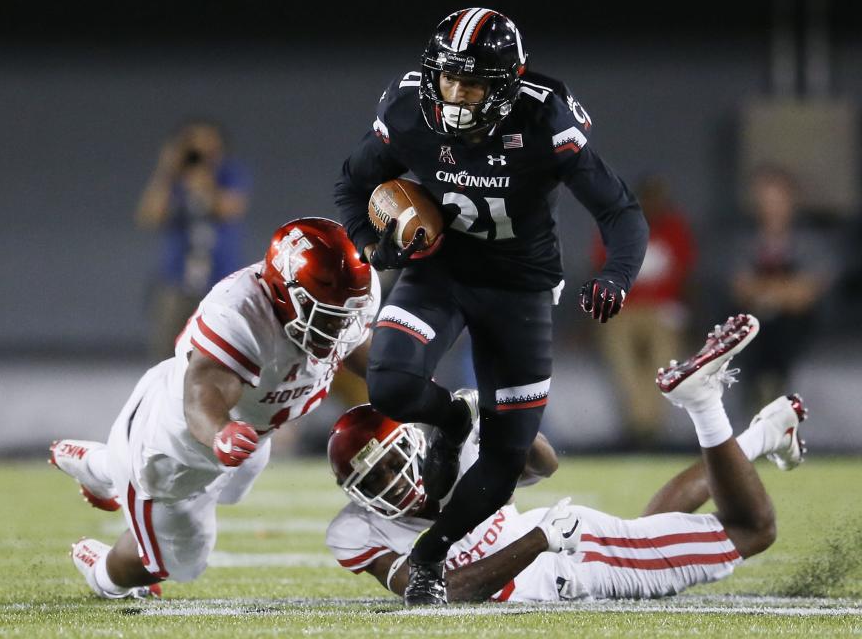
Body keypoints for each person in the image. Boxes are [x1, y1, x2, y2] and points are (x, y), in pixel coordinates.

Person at [333, 7, 648, 604]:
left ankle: (429, 556)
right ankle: (453, 418)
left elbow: (620, 211)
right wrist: (372, 241)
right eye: (448, 78)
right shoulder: (407, 109)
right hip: (442, 271)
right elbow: (352, 185)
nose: (454, 94)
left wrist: (616, 274)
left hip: (521, 287)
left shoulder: (545, 116)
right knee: (391, 386)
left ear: (505, 83)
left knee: (507, 458)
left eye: (472, 82)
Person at [326, 314, 809, 603]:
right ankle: (763, 434)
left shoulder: (448, 447)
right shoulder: (355, 531)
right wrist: (539, 540)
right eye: (372, 482)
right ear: (354, 495)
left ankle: (702, 401)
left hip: (574, 560)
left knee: (753, 529)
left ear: (413, 442)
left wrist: (494, 418)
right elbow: (439, 592)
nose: (388, 483)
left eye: (390, 463)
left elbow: (543, 466)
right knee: (651, 528)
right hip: (554, 547)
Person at [50, 217, 380, 599]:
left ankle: (101, 467)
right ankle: (101, 573)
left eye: (345, 314)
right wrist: (221, 432)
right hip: (176, 448)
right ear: (285, 292)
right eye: (327, 315)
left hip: (248, 432)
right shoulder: (239, 314)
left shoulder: (336, 306)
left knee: (237, 484)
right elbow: (202, 393)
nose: (338, 327)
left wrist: (411, 384)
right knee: (179, 561)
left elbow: (358, 346)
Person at [591, 174, 697, 447]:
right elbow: (601, 273)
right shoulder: (616, 227)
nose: (652, 205)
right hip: (624, 308)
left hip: (663, 309)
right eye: (646, 199)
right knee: (620, 352)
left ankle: (646, 428)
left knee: (664, 355)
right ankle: (643, 426)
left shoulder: (675, 228)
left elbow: (686, 277)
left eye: (657, 199)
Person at [136, 121, 252, 361]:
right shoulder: (174, 179)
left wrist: (204, 181)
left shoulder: (229, 174)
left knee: (222, 354)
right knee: (166, 358)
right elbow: (150, 216)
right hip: (176, 282)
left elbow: (230, 208)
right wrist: (167, 171)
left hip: (220, 282)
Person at [730, 165, 832, 413]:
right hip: (753, 322)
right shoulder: (744, 242)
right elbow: (740, 288)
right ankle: (759, 401)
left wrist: (769, 294)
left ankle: (777, 397)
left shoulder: (811, 243)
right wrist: (782, 290)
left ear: (792, 201)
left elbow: (806, 293)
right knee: (749, 332)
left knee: (784, 329)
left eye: (778, 200)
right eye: (765, 200)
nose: (772, 207)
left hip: (797, 323)